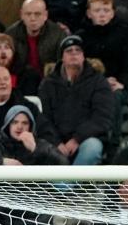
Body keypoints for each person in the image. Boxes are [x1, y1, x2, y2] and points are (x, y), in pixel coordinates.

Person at [37, 35, 115, 165]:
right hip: (56, 141)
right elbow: (44, 119)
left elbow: (102, 118)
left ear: (83, 56)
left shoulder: (98, 81)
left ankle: (70, 178)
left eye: (78, 50)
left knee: (92, 148)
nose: (74, 53)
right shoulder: (48, 84)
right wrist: (57, 142)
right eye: (69, 51)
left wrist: (76, 139)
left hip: (86, 139)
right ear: (62, 58)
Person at [0, 104, 66, 165]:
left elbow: (64, 163)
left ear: (30, 126)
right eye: (15, 122)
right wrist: (1, 161)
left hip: (33, 189)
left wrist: (36, 149)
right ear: (8, 125)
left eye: (25, 123)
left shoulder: (40, 145)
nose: (20, 127)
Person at [6, 0, 65, 78]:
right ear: (21, 15)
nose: (32, 18)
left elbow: (63, 65)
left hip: (49, 80)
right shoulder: (11, 34)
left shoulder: (58, 34)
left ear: (45, 15)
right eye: (28, 14)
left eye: (37, 14)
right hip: (20, 80)